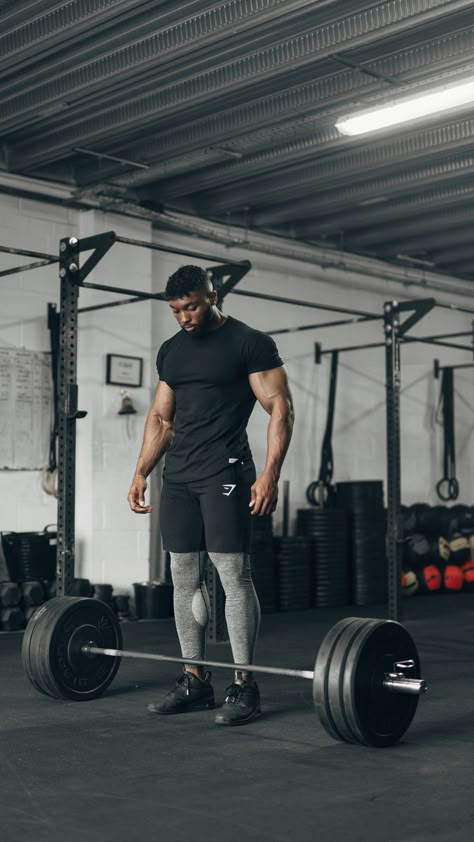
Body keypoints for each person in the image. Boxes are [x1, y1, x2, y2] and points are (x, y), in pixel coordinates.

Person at [128, 265, 294, 725]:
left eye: (193, 306)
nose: (185, 316)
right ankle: (195, 680)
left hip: (226, 473)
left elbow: (279, 408)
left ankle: (244, 684)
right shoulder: (172, 352)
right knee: (182, 574)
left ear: (212, 296)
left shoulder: (249, 342)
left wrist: (270, 475)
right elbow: (162, 420)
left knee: (231, 573)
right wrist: (141, 472)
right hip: (178, 476)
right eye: (177, 310)